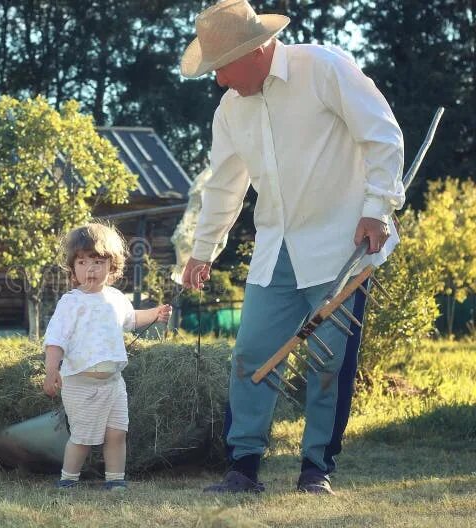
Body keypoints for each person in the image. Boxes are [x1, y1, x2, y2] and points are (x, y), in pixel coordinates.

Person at [179, 0, 404, 495]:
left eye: (223, 68)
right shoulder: (230, 109)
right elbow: (224, 186)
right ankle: (243, 467)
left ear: (256, 50)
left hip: (343, 246)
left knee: (329, 362)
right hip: (276, 248)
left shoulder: (323, 68)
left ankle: (315, 469)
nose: (218, 81)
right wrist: (203, 250)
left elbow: (383, 135)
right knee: (252, 354)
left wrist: (378, 208)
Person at [42, 222, 172, 490]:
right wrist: (51, 372)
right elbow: (55, 341)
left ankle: (115, 481)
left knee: (117, 433)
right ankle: (68, 480)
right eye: (82, 262)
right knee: (83, 437)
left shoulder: (115, 298)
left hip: (113, 384)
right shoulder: (71, 303)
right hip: (80, 383)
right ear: (72, 268)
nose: (90, 268)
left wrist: (155, 314)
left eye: (98, 261)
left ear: (112, 266)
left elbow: (132, 318)